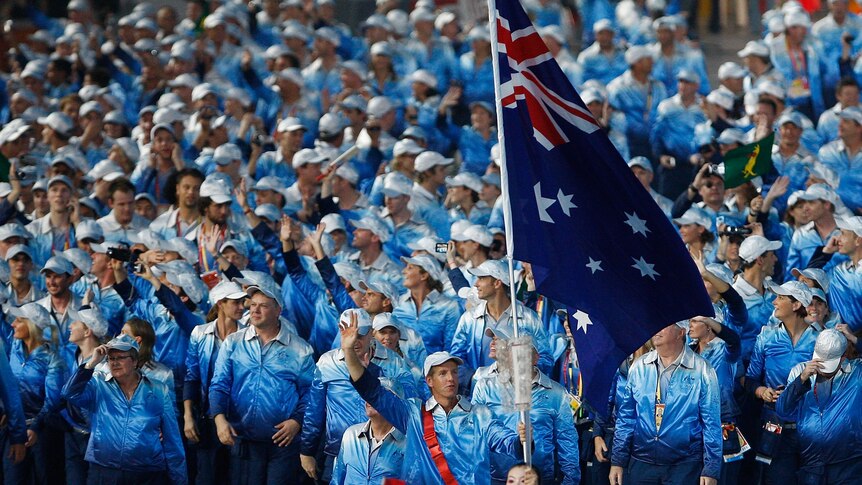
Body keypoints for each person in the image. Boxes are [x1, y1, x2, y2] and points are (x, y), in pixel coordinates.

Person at [340, 311, 528, 484]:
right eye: (443, 373)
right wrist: (349, 352)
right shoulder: (412, 414)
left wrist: (522, 440)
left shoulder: (480, 414)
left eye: (454, 372)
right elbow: (372, 392)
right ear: (429, 380)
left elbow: (508, 444)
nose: (450, 379)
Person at [208, 285, 315, 483]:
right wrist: (219, 419)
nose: (254, 310)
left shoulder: (301, 349)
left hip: (284, 443)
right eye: (253, 304)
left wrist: (297, 422)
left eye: (263, 306)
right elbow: (219, 384)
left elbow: (310, 393)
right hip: (244, 439)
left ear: (278, 311)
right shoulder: (233, 342)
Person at [299, 308, 418, 483]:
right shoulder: (327, 362)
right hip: (338, 450)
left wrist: (370, 372)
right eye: (348, 332)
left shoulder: (395, 363)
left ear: (371, 333)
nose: (354, 340)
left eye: (360, 335)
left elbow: (408, 406)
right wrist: (307, 451)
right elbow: (314, 409)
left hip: (385, 454)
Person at [63, 334, 187, 484]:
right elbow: (69, 393)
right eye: (111, 358)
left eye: (121, 357)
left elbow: (172, 439)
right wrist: (90, 364)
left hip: (146, 474)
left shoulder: (158, 390)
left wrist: (179, 480)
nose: (114, 363)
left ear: (135, 361)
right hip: (103, 472)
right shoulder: (98, 384)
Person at [610, 323, 721, 485]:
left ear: (680, 333)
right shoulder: (639, 366)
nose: (657, 329)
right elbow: (626, 417)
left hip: (684, 465)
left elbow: (711, 423)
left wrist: (711, 469)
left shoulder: (702, 369)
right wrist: (618, 460)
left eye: (664, 325)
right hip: (642, 461)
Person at [471, 328, 580, 485]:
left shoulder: (556, 393)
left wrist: (571, 481)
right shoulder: (485, 387)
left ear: (535, 357)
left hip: (540, 478)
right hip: (498, 478)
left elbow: (567, 440)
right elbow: (478, 433)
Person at [745, 281, 819, 484]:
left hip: (810, 428)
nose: (774, 301)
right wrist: (762, 391)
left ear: (796, 305)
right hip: (775, 425)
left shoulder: (819, 339)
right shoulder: (766, 336)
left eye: (781, 297)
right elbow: (750, 379)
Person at [776, 328, 862, 484]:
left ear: (842, 358)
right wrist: (801, 380)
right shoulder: (799, 371)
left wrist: (855, 340)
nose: (823, 370)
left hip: (849, 463)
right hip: (811, 464)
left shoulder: (857, 372)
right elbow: (783, 410)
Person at [184, 281, 246, 485]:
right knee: (206, 476)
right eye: (235, 302)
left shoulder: (248, 335)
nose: (241, 306)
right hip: (207, 416)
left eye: (241, 302)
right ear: (220, 303)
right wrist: (188, 416)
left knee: (235, 477)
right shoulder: (200, 333)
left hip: (239, 418)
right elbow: (191, 377)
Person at [3, 302, 64, 485]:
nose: (13, 324)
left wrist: (35, 427)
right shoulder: (14, 347)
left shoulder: (52, 358)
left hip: (43, 431)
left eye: (19, 320)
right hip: (16, 428)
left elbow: (52, 401)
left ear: (32, 325)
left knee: (44, 479)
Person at [329, 395, 406, 485]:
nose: (369, 397)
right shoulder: (351, 434)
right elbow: (337, 479)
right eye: (369, 393)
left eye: (377, 393)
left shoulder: (407, 443)